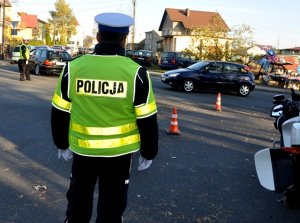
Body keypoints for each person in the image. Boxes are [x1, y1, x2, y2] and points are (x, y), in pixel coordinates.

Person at [51, 12, 159, 223]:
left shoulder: (73, 68)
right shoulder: (136, 73)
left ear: (98, 37)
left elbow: (60, 111)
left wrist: (61, 144)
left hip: (83, 152)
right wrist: (149, 151)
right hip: (119, 156)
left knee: (77, 207)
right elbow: (147, 119)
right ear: (124, 39)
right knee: (111, 209)